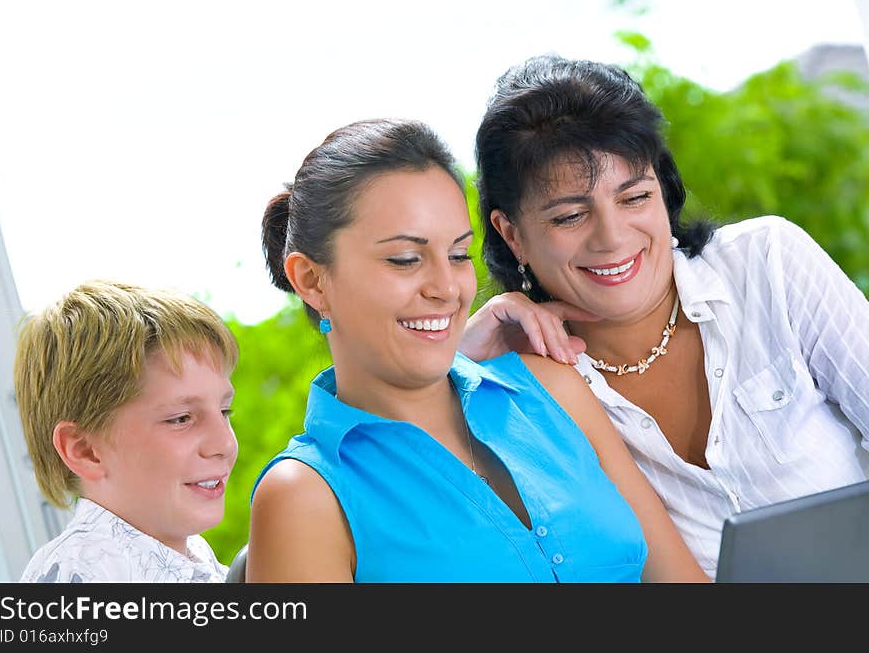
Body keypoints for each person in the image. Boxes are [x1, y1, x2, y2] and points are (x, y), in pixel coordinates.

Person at [460, 54, 869, 579]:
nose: (612, 237)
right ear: (512, 233)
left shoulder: (767, 263)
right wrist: (460, 358)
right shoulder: (531, 389)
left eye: (634, 197)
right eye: (570, 215)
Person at [248, 118, 708, 583]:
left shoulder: (553, 389)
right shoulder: (304, 496)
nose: (447, 288)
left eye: (458, 254)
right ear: (312, 281)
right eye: (405, 260)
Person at [15, 280, 239, 582]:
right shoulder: (79, 574)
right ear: (85, 451)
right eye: (181, 418)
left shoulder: (188, 556)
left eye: (224, 411)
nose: (223, 442)